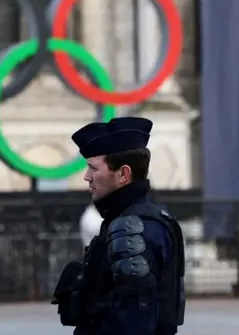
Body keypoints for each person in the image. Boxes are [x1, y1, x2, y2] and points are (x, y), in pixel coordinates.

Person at [52, 117, 186, 335]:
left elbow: (132, 322)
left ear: (123, 174)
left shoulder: (131, 227)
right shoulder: (130, 218)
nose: (87, 177)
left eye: (93, 168)